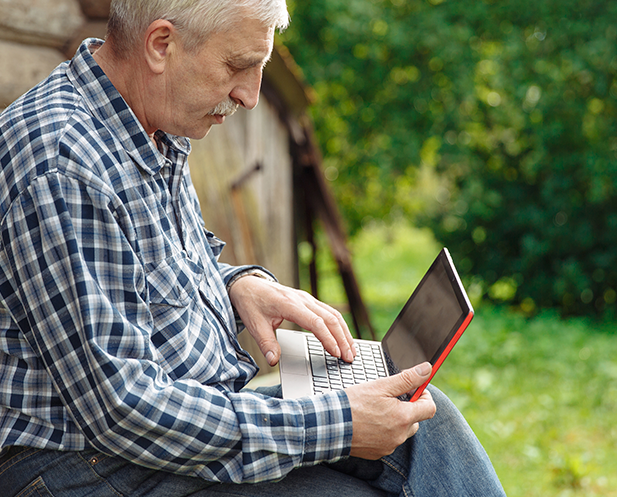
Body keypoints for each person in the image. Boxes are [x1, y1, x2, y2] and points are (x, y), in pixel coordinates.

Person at [0, 1, 506, 495]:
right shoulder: (63, 166)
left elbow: (147, 271)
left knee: (422, 415)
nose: (250, 95)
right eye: (238, 66)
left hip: (176, 421)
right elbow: (125, 409)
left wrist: (237, 285)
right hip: (86, 464)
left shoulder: (148, 126)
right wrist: (341, 423)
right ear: (161, 44)